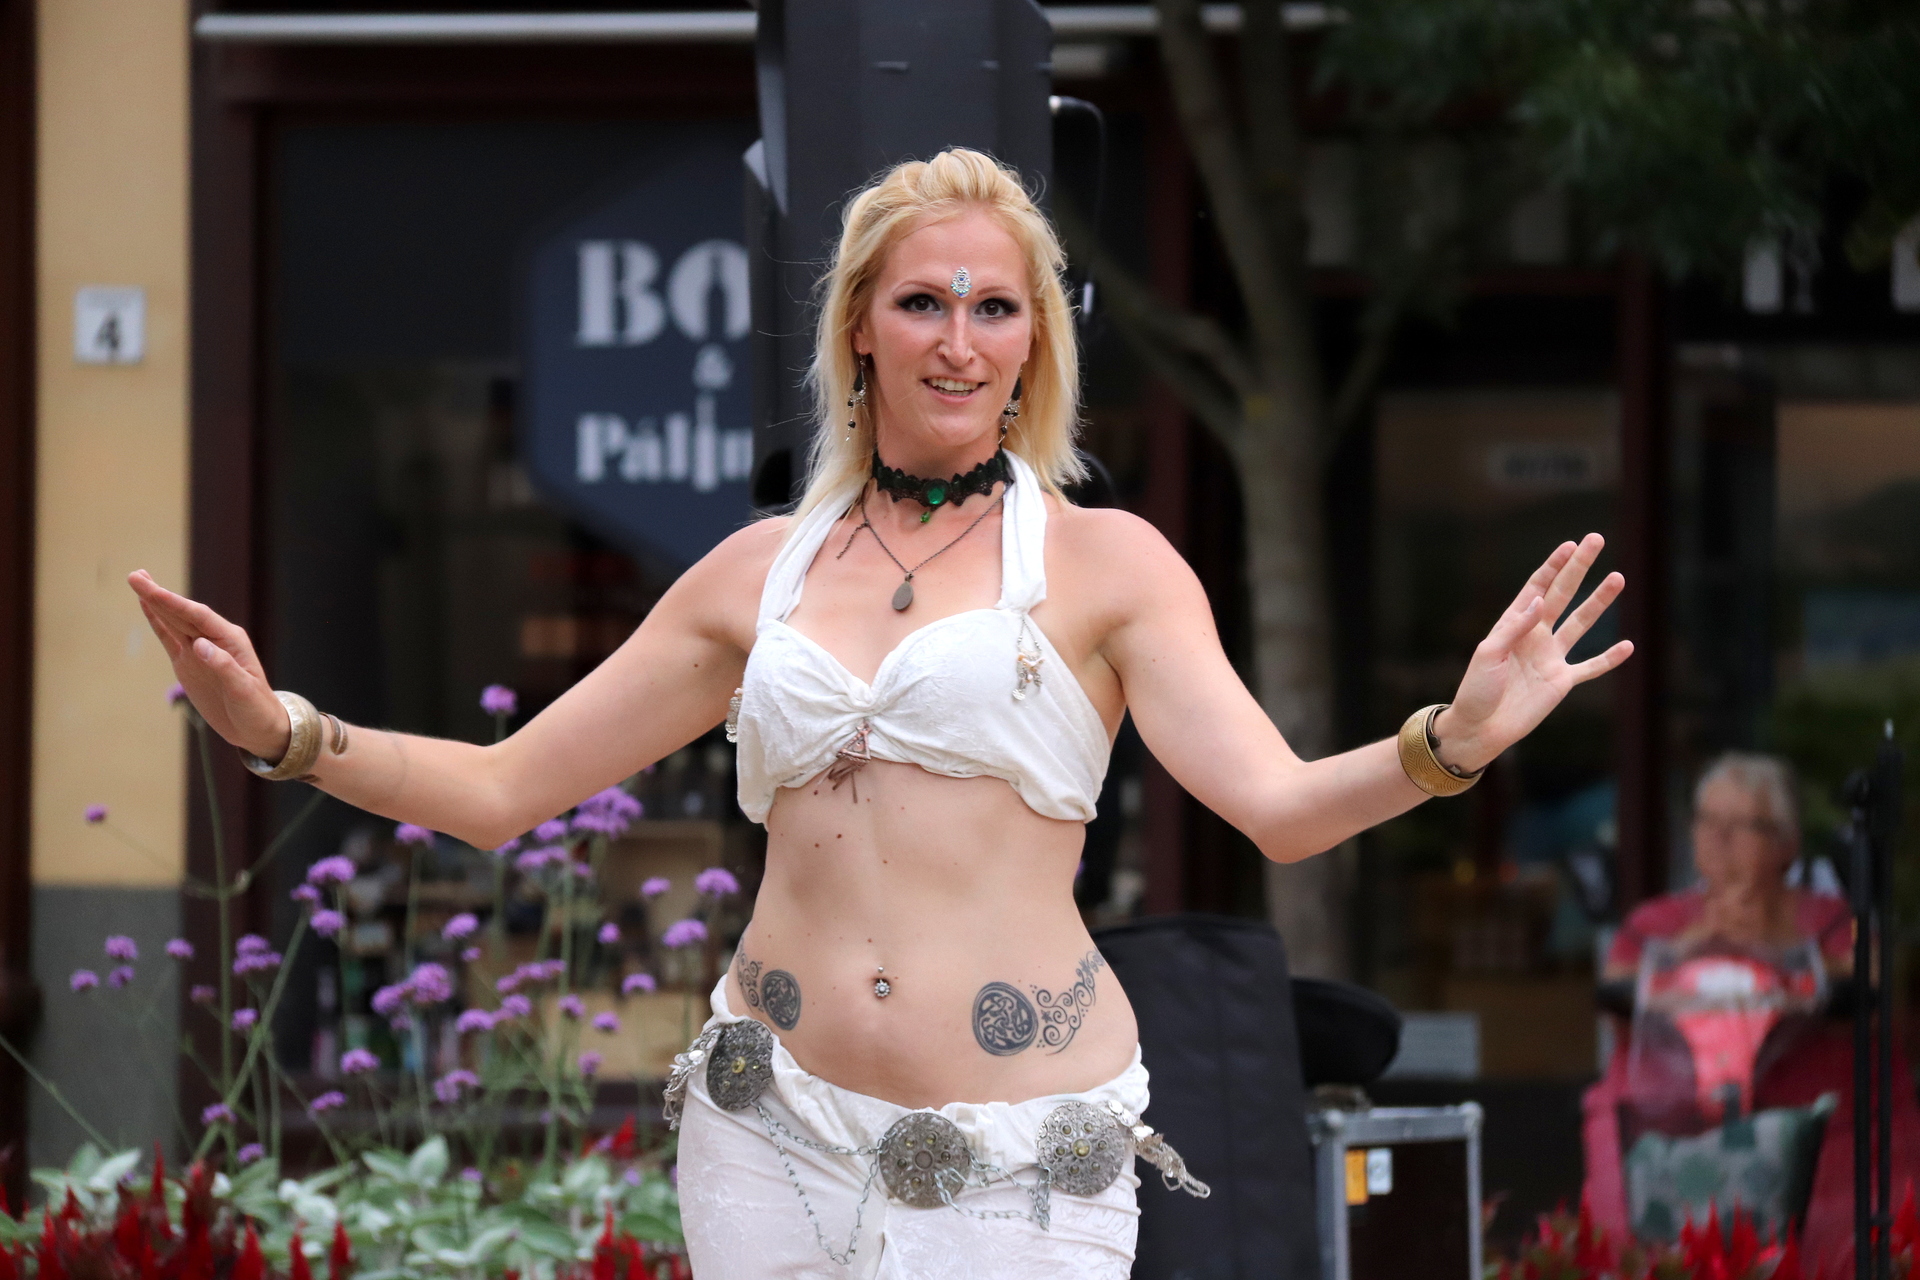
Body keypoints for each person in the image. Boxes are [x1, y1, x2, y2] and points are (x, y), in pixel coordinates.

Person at [131, 149, 1630, 1278]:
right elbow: (505, 789)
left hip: (1022, 1152)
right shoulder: (754, 574)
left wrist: (1453, 740)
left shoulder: (1109, 566)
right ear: (860, 324)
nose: (957, 339)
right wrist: (284, 732)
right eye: (922, 302)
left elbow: (1280, 811)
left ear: (1035, 341)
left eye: (994, 307)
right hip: (766, 1126)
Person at [1583, 751, 1920, 1273]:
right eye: (1707, 821)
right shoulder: (1657, 923)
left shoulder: (1833, 921)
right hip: (1667, 1133)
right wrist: (1702, 941)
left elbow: (1873, 997)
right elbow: (1616, 1003)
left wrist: (1769, 953)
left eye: (1744, 825)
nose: (1719, 838)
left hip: (1820, 1136)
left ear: (1787, 844)